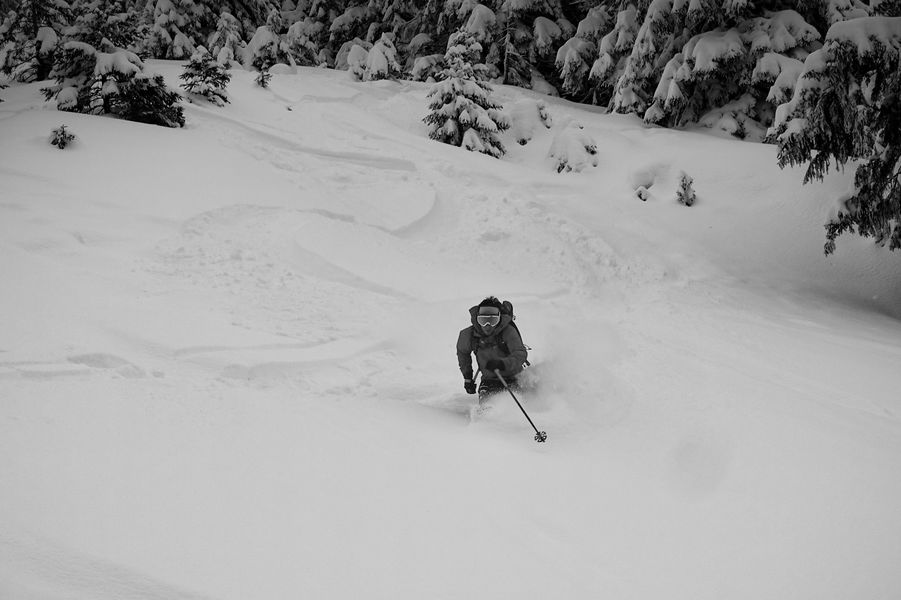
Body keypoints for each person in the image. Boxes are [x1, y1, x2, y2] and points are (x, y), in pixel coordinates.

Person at [456, 296, 529, 400]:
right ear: (477, 319)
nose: (487, 325)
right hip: (489, 380)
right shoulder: (468, 335)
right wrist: (467, 377)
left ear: (499, 319)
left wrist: (502, 364)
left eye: (492, 320)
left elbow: (520, 353)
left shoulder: (508, 331)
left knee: (519, 403)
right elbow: (462, 353)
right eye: (483, 320)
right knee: (488, 407)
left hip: (514, 377)